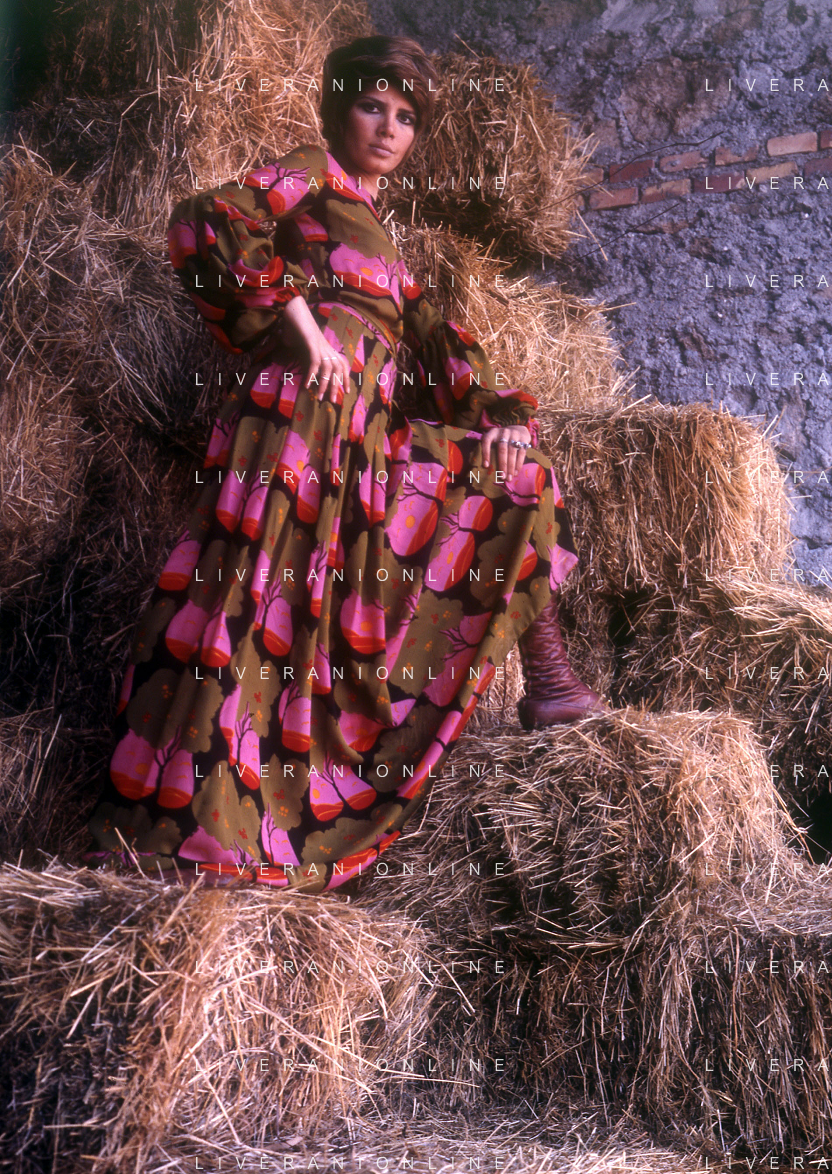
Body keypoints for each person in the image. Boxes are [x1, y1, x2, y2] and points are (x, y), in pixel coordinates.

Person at [81, 34, 605, 895]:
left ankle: (549, 685)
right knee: (261, 599)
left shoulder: (382, 240)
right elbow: (209, 218)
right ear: (338, 111)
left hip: (361, 443)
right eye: (372, 106)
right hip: (297, 418)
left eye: (406, 117)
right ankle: (206, 824)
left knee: (517, 481)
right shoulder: (310, 173)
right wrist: (307, 328)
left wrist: (496, 417)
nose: (388, 128)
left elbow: (434, 341)